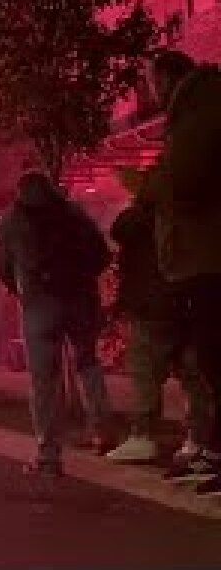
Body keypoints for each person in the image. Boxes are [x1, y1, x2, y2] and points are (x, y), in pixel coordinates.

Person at [0, 170, 113, 476]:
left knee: (44, 379)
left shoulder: (11, 220)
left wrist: (22, 291)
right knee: (88, 364)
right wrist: (83, 281)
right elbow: (101, 253)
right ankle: (105, 435)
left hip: (39, 305)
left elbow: (3, 268)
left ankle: (49, 455)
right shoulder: (73, 212)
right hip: (80, 300)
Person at [145, 50, 221, 494]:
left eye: (152, 80)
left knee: (213, 356)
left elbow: (183, 177)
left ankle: (209, 446)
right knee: (205, 357)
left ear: (171, 76)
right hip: (197, 258)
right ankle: (209, 446)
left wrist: (153, 185)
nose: (150, 90)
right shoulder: (195, 110)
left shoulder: (201, 106)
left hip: (207, 258)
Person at [104, 167, 210, 464]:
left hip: (152, 306)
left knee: (144, 371)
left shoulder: (142, 216)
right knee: (192, 373)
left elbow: (120, 229)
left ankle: (143, 435)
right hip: (185, 301)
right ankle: (199, 438)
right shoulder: (189, 215)